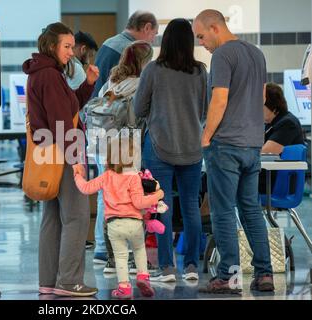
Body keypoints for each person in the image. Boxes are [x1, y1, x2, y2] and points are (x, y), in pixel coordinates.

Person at [193, 9, 274, 293]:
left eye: (201, 36)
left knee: (223, 211)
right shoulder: (256, 53)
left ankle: (228, 276)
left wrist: (205, 136)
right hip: (252, 144)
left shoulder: (223, 56)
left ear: (215, 28)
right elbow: (262, 96)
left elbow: (219, 100)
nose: (201, 42)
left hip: (225, 144)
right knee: (251, 209)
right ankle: (264, 274)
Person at [22, 22, 99, 297]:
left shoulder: (42, 73)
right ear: (52, 46)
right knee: (77, 217)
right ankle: (69, 281)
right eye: (66, 47)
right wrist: (76, 157)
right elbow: (61, 122)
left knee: (53, 219)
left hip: (48, 154)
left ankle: (48, 281)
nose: (71, 52)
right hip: (63, 154)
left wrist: (88, 85)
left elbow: (67, 109)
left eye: (71, 47)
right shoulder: (51, 76)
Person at [134, 18, 208, 283]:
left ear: (165, 41)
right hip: (192, 147)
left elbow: (138, 109)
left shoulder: (153, 70)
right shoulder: (200, 71)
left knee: (161, 205)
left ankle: (166, 267)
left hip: (158, 147)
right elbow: (204, 110)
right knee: (190, 207)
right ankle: (190, 266)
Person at [91, 41, 154, 272]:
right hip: (127, 146)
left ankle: (109, 257)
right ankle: (131, 258)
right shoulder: (139, 84)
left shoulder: (111, 82)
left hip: (103, 146)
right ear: (143, 62)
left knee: (110, 199)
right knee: (131, 202)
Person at [73, 135, 161, 299]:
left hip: (114, 225)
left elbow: (85, 189)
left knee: (120, 257)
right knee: (140, 250)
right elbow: (140, 202)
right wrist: (158, 196)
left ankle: (124, 288)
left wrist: (77, 175)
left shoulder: (106, 176)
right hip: (134, 224)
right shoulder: (134, 177)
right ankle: (143, 277)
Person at [92, 10, 158, 97]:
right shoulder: (131, 50)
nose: (153, 40)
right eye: (155, 34)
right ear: (147, 28)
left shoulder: (108, 42)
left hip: (97, 105)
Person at [260, 82, 304, 193]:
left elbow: (266, 152)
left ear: (273, 107)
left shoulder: (288, 123)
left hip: (278, 182)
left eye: (261, 106)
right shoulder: (271, 123)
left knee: (221, 179)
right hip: (269, 176)